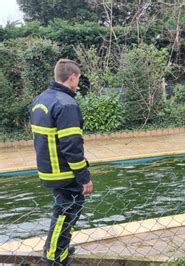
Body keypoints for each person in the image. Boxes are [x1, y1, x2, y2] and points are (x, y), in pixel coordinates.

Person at [30, 59, 93, 265]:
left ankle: (60, 248)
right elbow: (72, 147)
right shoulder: (66, 104)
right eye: (78, 79)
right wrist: (84, 178)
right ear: (73, 77)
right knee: (65, 214)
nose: (78, 83)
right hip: (64, 172)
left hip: (48, 169)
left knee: (63, 212)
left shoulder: (42, 99)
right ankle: (54, 257)